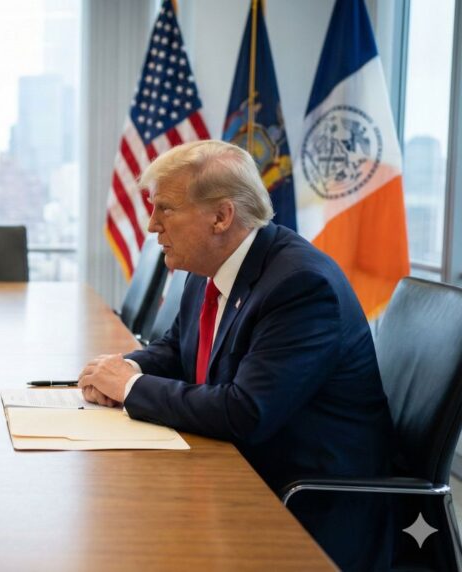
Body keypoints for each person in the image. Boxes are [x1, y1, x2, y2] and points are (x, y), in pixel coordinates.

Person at [79, 140, 394, 570]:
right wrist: (124, 369)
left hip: (302, 505)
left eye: (165, 209)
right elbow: (177, 349)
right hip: (238, 471)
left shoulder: (300, 286)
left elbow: (246, 412)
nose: (152, 226)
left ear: (222, 217)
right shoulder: (208, 266)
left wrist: (131, 388)